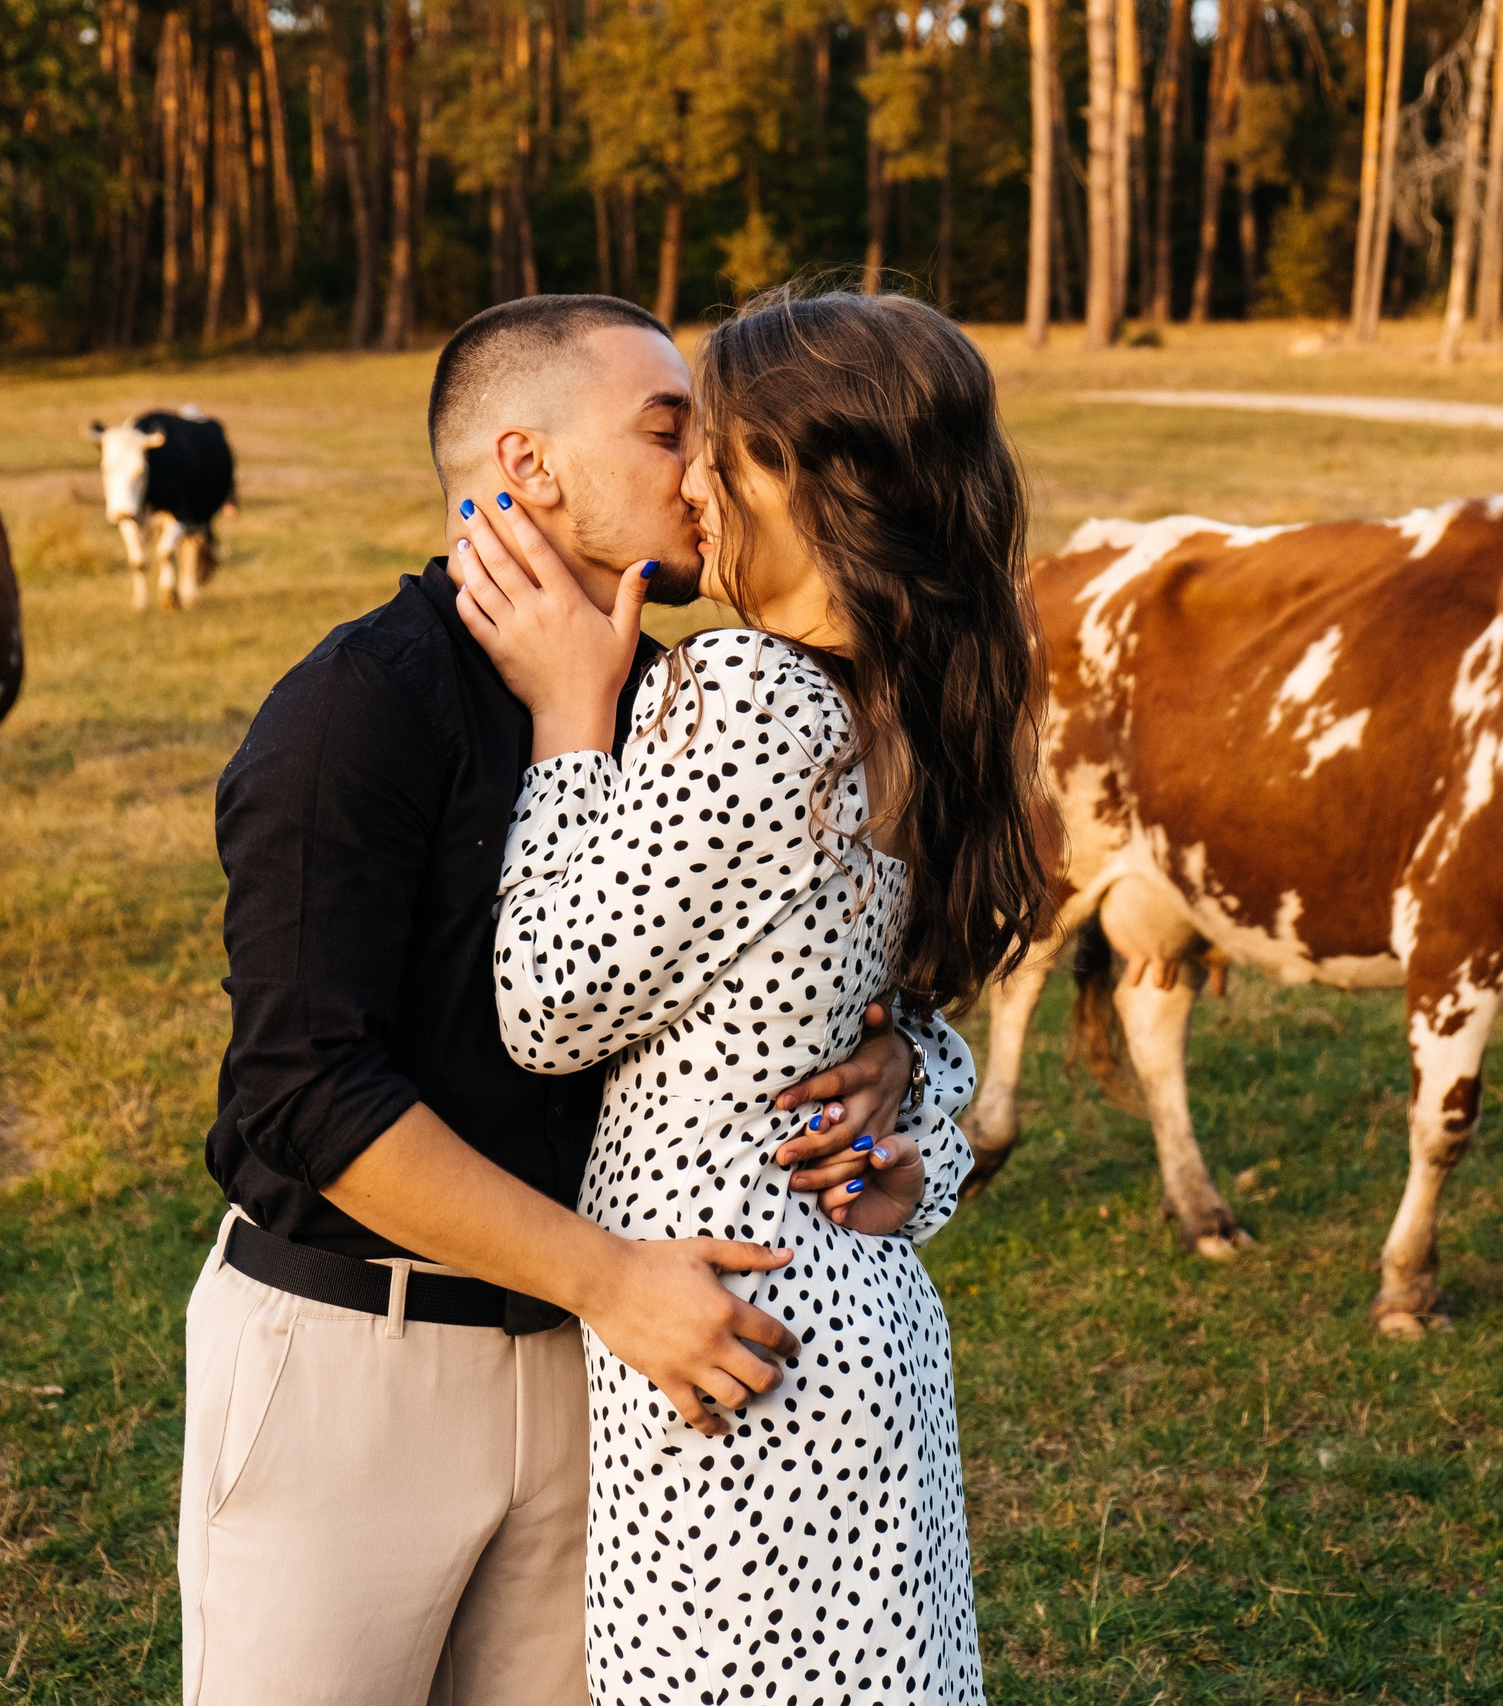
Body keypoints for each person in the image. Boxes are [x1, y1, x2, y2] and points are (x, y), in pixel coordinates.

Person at [181, 294, 952, 1706]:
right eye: (671, 428)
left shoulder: (684, 702)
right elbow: (303, 1090)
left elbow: (776, 962)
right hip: (365, 1355)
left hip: (608, 1369)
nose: (704, 462)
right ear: (527, 468)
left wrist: (887, 1050)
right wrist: (610, 1282)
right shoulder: (355, 708)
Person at [452, 285, 1053, 1706]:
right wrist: (931, 1121)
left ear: (809, 477)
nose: (691, 479)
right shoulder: (906, 696)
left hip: (730, 1339)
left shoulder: (744, 693)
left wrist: (565, 724)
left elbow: (545, 1002)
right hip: (858, 1318)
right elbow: (891, 1017)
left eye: (717, 444)